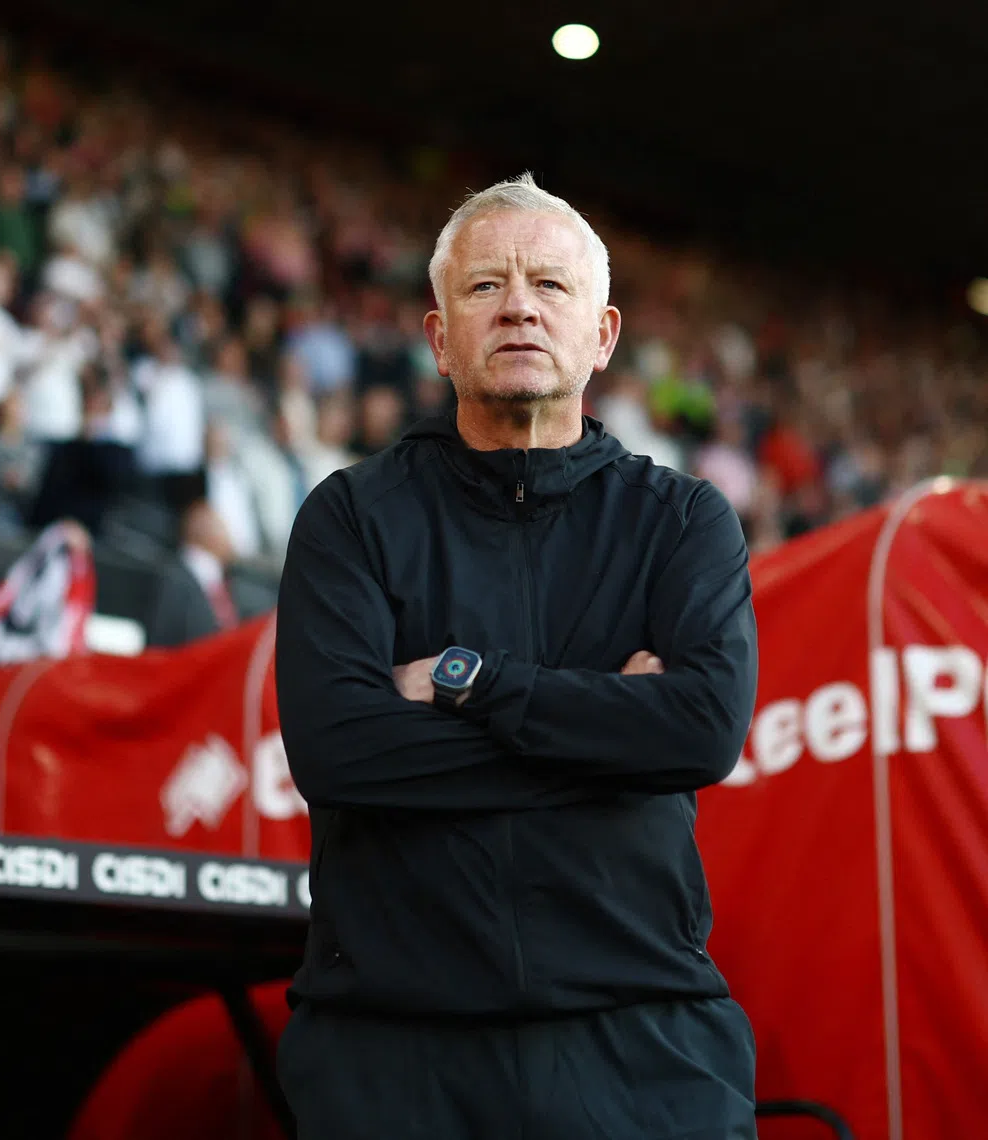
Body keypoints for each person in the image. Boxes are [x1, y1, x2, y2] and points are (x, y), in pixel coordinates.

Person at [275, 174, 759, 1140]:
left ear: (604, 335)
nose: (521, 306)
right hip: (392, 1055)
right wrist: (611, 744)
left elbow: (702, 731)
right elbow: (338, 753)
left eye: (550, 284)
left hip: (643, 1042)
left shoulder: (683, 520)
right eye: (486, 286)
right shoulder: (350, 516)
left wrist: (474, 684)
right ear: (439, 335)